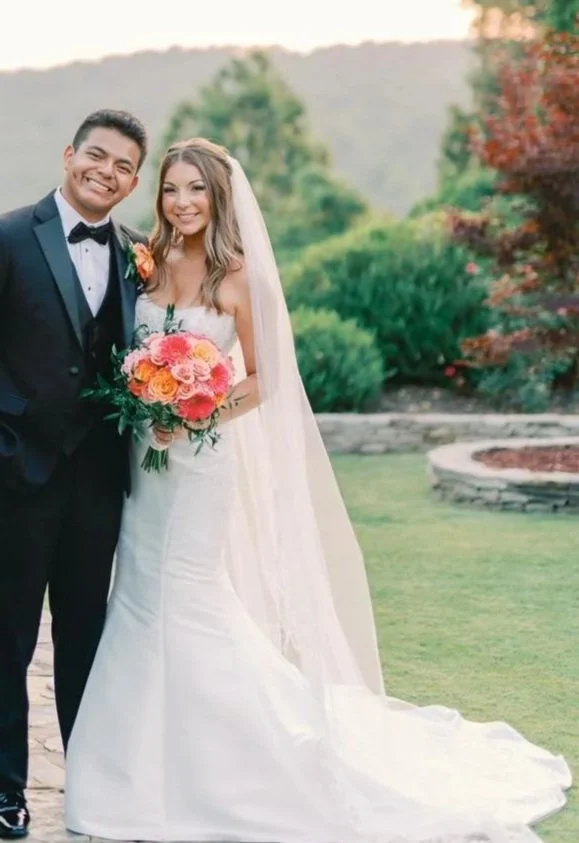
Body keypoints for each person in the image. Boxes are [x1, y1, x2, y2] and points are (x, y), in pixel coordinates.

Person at [63, 138, 571, 843]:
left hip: (200, 465)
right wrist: (146, 400)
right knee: (138, 595)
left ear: (219, 198)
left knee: (186, 599)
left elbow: (266, 379)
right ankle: (135, 770)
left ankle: (233, 768)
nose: (181, 202)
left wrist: (194, 411)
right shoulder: (144, 263)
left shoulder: (239, 277)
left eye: (195, 190)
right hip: (139, 465)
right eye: (171, 189)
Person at [0, 109, 148, 840]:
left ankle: (87, 785)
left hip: (96, 482)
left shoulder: (135, 254)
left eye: (123, 166)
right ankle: (5, 790)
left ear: (134, 180)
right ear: (68, 155)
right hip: (15, 475)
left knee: (86, 640)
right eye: (97, 156)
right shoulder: (0, 238)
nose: (106, 172)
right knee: (8, 639)